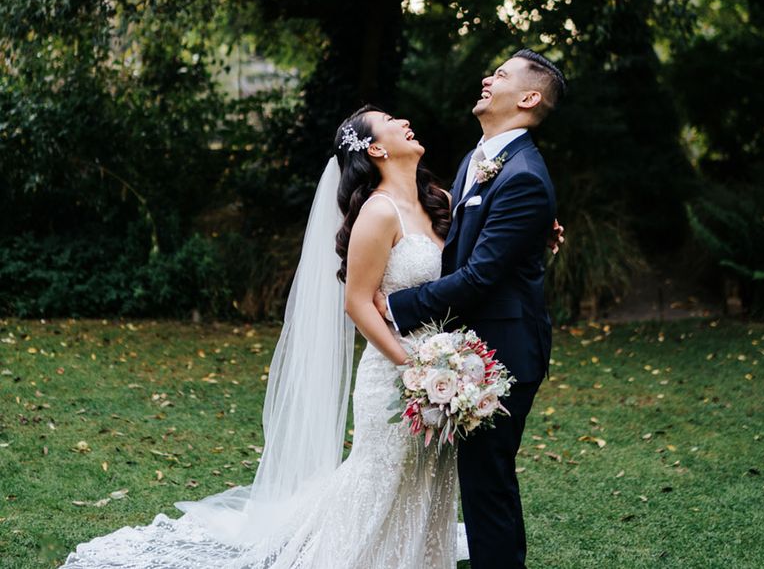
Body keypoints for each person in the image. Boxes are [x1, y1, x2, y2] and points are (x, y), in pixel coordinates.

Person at [61, 106, 466, 568]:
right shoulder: (378, 212)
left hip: (444, 365)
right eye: (391, 121)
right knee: (384, 473)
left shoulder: (440, 200)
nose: (404, 122)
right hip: (396, 369)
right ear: (374, 148)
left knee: (430, 471)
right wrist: (409, 366)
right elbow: (357, 303)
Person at [379, 48, 565, 569]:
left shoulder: (524, 174)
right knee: (482, 483)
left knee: (488, 486)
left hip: (503, 353)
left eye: (501, 75)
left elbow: (481, 275)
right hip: (472, 348)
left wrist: (397, 305)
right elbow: (462, 239)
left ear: (528, 98)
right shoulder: (479, 158)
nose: (488, 78)